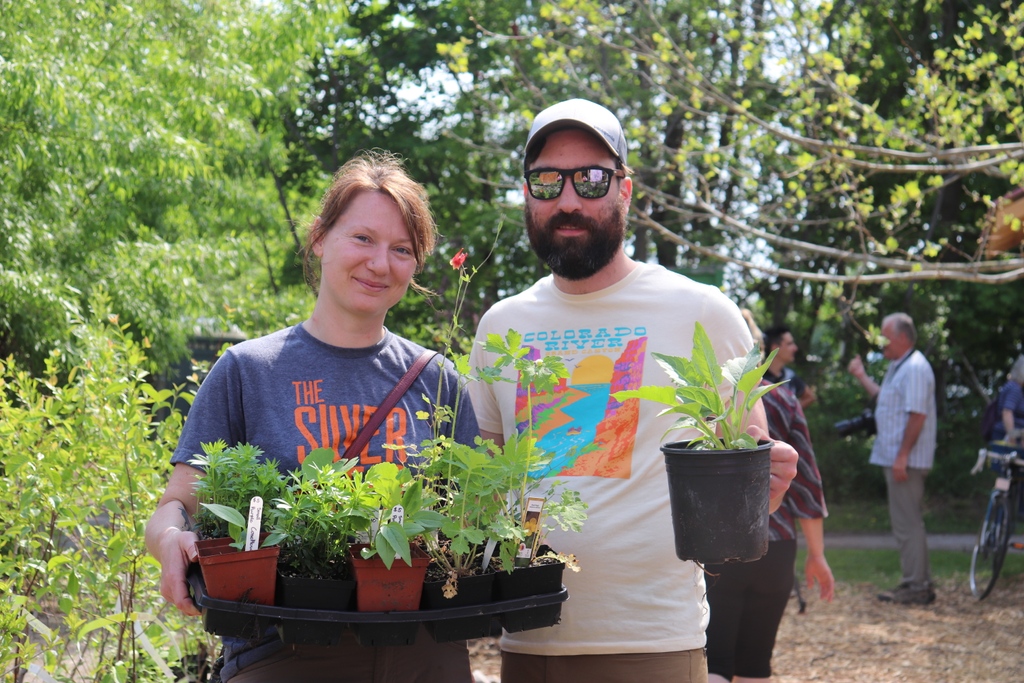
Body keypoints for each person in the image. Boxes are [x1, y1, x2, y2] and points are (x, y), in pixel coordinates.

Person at [466, 97, 799, 683]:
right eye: (547, 181)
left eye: (591, 179)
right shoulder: (501, 326)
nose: (568, 200)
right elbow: (482, 486)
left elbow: (746, 478)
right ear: (526, 195)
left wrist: (766, 486)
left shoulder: (701, 312)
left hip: (654, 643)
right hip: (528, 642)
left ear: (625, 189)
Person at [144, 151, 478, 683]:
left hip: (424, 653)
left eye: (401, 249)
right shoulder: (247, 371)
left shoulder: (437, 381)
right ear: (320, 237)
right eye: (363, 238)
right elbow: (177, 506)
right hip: (283, 654)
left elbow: (473, 522)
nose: (380, 263)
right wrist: (169, 541)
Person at [705, 324, 835, 683]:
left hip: (718, 546)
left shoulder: (708, 399)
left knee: (713, 663)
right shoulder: (785, 399)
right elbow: (807, 481)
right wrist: (817, 554)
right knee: (755, 665)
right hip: (776, 546)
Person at [847, 312, 937, 605]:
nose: (880, 342)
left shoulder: (915, 368)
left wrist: (902, 456)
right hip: (900, 459)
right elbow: (885, 399)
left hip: (906, 462)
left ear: (902, 337)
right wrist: (862, 376)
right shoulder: (900, 366)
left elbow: (918, 415)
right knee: (907, 522)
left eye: (884, 336)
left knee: (907, 523)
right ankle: (919, 582)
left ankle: (917, 586)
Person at [990, 355, 1024, 446]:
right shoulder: (1015, 389)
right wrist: (1012, 437)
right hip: (1006, 437)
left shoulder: (1012, 386)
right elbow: (1007, 412)